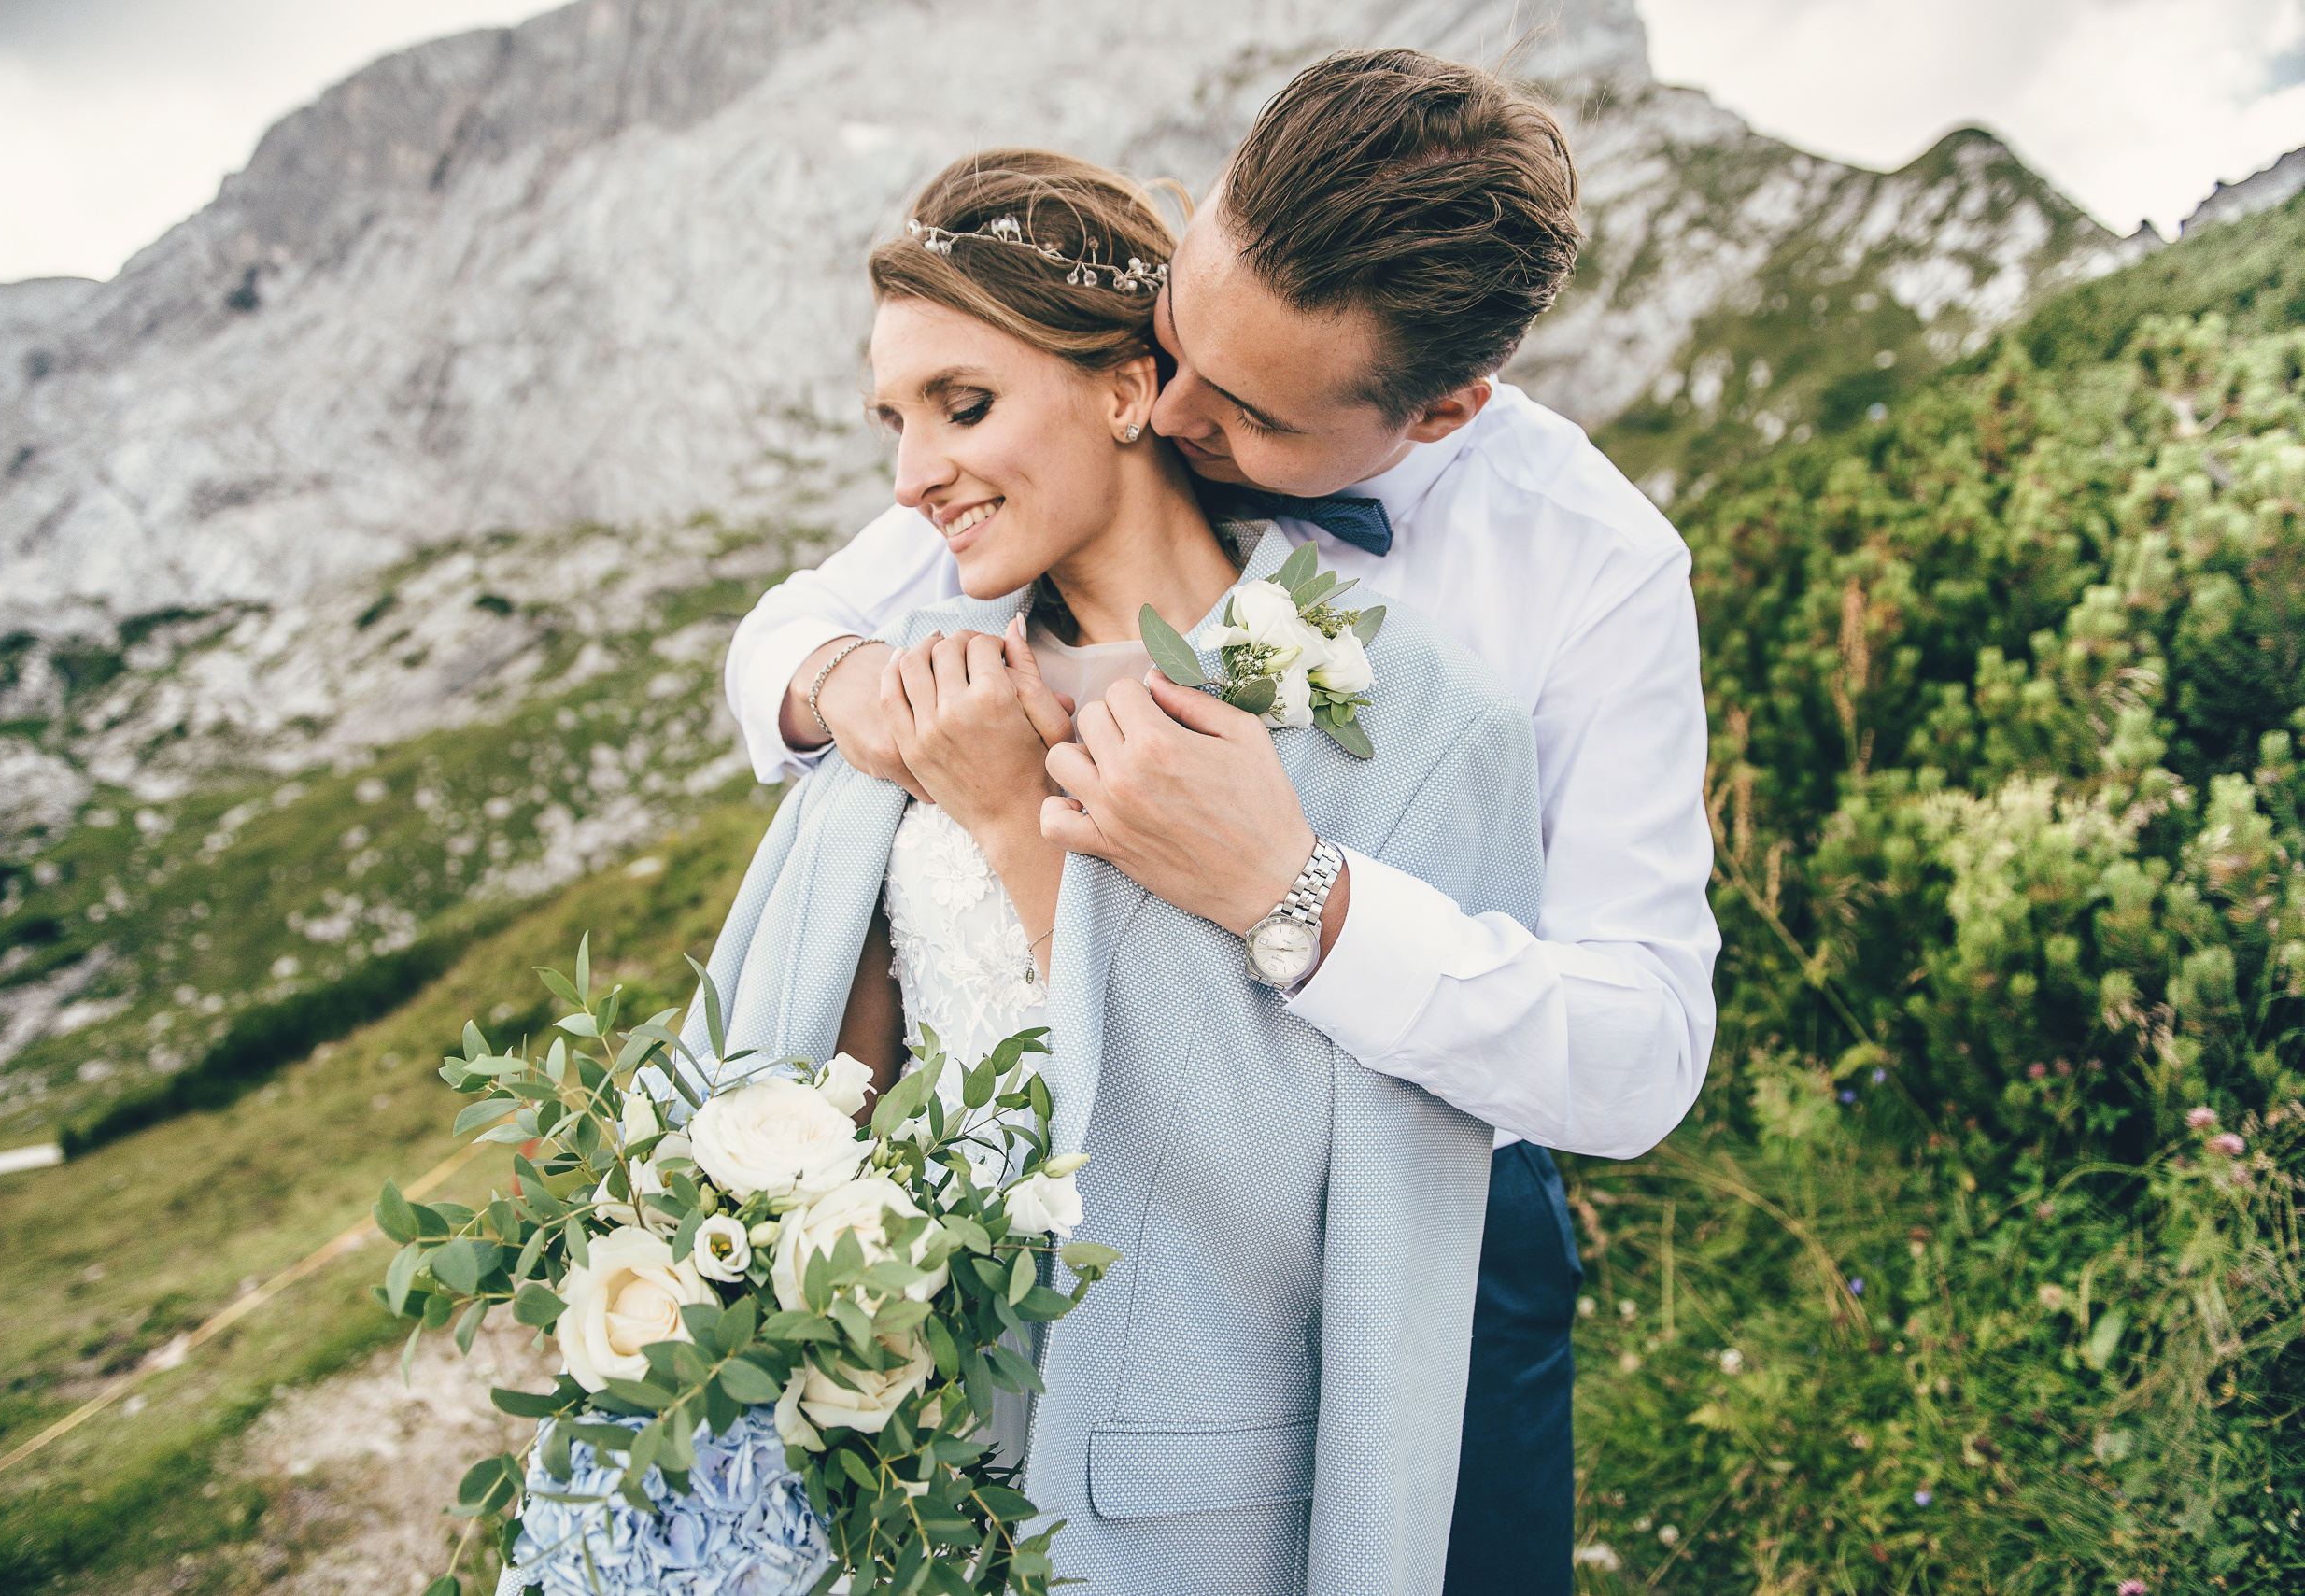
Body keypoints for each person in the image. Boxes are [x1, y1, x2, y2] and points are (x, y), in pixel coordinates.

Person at [720, 49, 1718, 1596]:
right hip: (1084, 1241)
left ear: (1442, 406)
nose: (1171, 410)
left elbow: (1644, 1045)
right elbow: (787, 635)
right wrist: (860, 686)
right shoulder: (1101, 443)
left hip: (1441, 1211)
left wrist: (1297, 895)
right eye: (1173, 332)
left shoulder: (1592, 576)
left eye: (1244, 410)